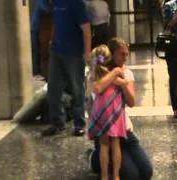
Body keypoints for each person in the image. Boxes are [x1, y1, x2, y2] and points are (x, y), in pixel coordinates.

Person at [87, 37, 153, 180]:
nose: (125, 58)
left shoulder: (126, 73)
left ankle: (116, 162)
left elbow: (131, 102)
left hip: (124, 130)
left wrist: (123, 83)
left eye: (126, 54)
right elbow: (97, 89)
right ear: (111, 54)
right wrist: (115, 73)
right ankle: (94, 159)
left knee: (146, 171)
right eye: (121, 54)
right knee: (131, 176)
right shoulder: (98, 74)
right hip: (105, 127)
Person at [41, 0, 91, 137]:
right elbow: (56, 23)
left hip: (74, 53)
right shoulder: (56, 2)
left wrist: (87, 53)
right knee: (53, 88)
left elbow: (86, 29)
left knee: (77, 89)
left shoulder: (77, 3)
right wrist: (51, 41)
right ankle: (57, 123)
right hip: (57, 52)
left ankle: (79, 124)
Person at [88, 45, 129, 180]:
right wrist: (121, 76)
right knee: (115, 143)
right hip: (114, 110)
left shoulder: (94, 76)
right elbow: (124, 82)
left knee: (103, 145)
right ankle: (116, 175)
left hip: (100, 111)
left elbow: (96, 89)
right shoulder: (113, 74)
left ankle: (104, 176)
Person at [30, 0, 52, 80]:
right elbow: (46, 9)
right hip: (35, 28)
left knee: (40, 51)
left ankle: (39, 71)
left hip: (41, 30)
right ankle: (36, 72)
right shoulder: (41, 1)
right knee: (36, 50)